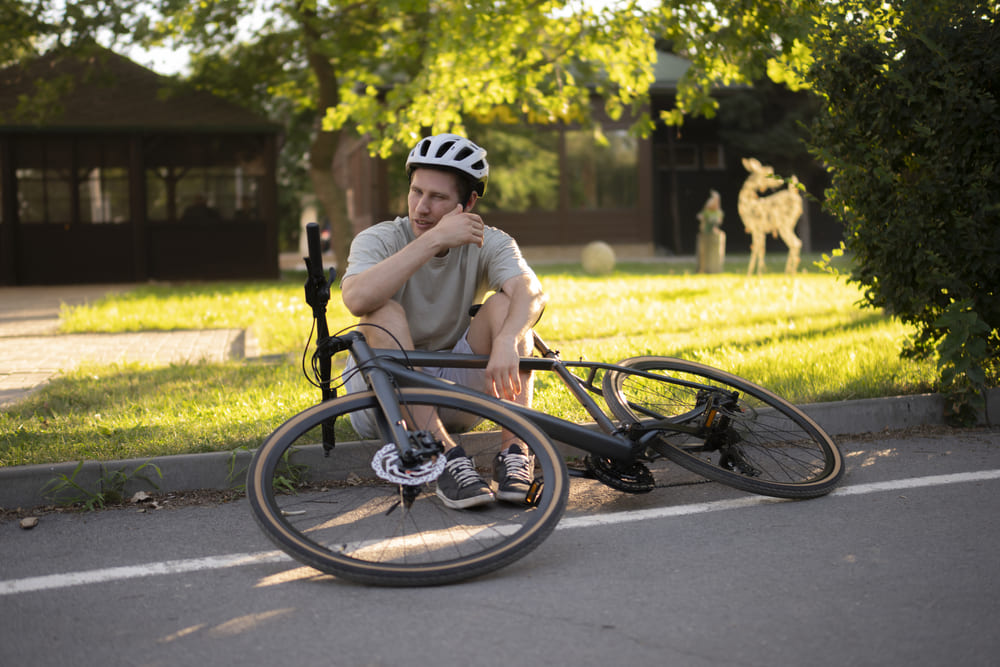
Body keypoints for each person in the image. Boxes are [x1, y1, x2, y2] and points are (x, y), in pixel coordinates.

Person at [340, 133, 547, 509]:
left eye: (437, 198)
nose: (421, 207)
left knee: (505, 309)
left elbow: (531, 292)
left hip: (454, 385)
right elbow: (357, 300)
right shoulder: (380, 238)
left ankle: (515, 452)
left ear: (467, 204)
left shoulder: (490, 241)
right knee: (382, 312)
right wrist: (433, 240)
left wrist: (506, 339)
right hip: (382, 396)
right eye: (416, 192)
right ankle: (443, 455)